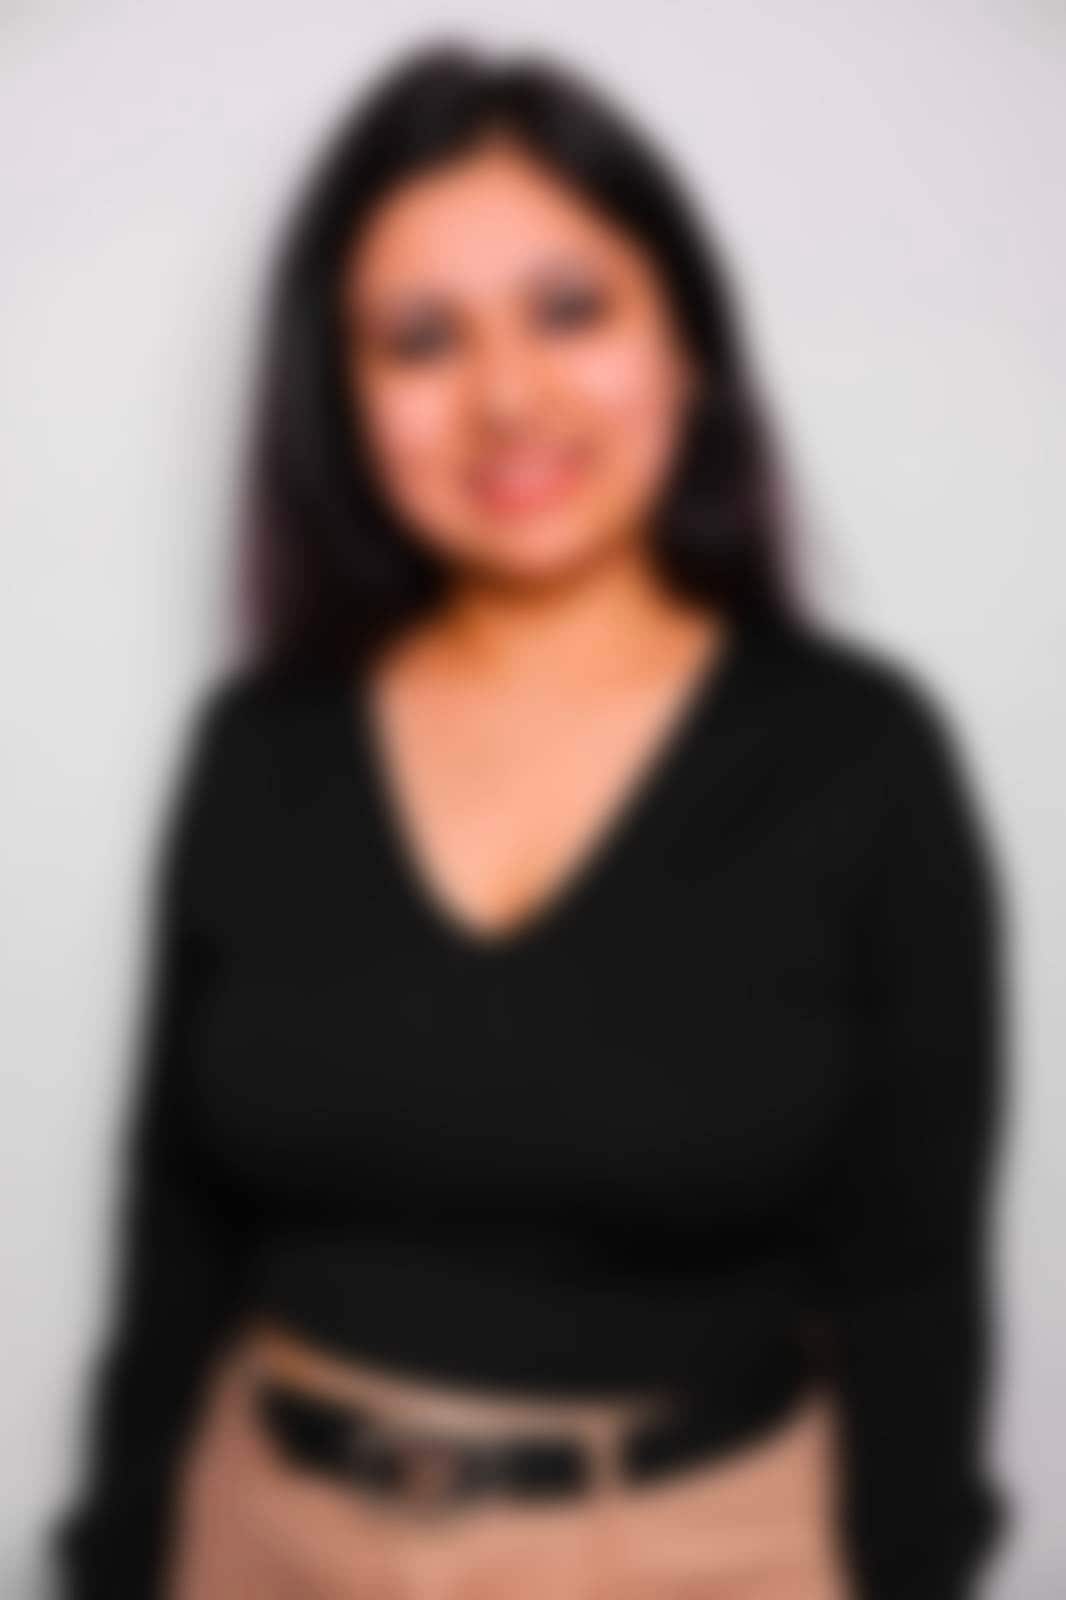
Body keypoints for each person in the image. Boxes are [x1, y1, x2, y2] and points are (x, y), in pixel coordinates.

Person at [52, 39, 1013, 1600]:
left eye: (570, 309)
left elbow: (913, 1288)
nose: (507, 395)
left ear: (687, 343)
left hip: (701, 1558)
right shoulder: (259, 750)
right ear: (343, 399)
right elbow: (174, 1236)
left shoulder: (856, 761)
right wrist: (114, 1560)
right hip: (265, 1543)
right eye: (419, 339)